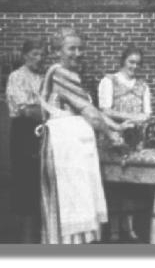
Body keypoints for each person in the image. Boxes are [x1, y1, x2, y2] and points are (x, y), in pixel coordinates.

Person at [39, 28, 130, 244]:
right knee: (69, 200)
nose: (78, 53)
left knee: (76, 200)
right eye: (71, 48)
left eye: (81, 49)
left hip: (72, 150)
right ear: (58, 52)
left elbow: (88, 107)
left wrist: (115, 127)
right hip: (64, 151)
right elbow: (89, 113)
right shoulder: (60, 73)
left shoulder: (67, 74)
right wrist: (111, 135)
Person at [98, 46, 153, 241]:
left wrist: (138, 121)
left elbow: (147, 113)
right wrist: (128, 118)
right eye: (131, 62)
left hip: (134, 139)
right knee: (114, 183)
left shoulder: (143, 86)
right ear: (123, 61)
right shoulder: (109, 81)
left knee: (132, 183)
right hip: (113, 137)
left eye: (138, 63)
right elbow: (104, 109)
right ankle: (113, 229)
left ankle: (129, 227)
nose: (134, 66)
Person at [6, 38, 45, 243]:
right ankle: (26, 236)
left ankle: (41, 229)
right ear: (25, 55)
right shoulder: (16, 76)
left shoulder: (44, 77)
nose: (39, 59)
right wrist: (49, 111)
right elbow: (26, 110)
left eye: (42, 55)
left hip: (43, 130)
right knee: (25, 179)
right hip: (23, 132)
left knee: (41, 178)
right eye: (34, 54)